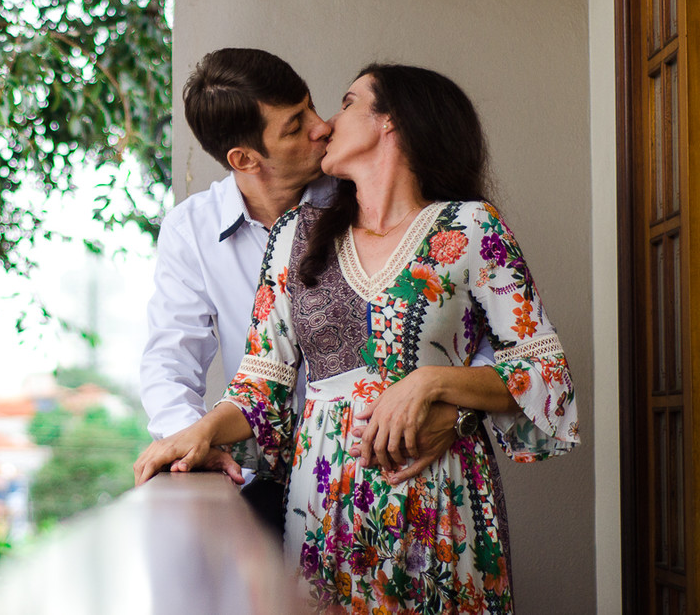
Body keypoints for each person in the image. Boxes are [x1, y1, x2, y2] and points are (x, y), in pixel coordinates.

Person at [135, 63, 579, 613]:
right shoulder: (294, 235)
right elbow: (258, 386)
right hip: (323, 510)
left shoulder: (471, 228)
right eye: (301, 122)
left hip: (442, 500)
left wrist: (433, 384)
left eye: (344, 103)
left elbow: (545, 373)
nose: (324, 124)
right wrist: (199, 432)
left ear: (391, 121)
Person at [139, 50, 459, 535]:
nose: (321, 127)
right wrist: (196, 443)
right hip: (261, 484)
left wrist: (451, 412)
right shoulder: (191, 230)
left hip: (390, 476)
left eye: (313, 107)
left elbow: (468, 335)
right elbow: (170, 362)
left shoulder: (367, 198)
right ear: (244, 159)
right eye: (294, 126)